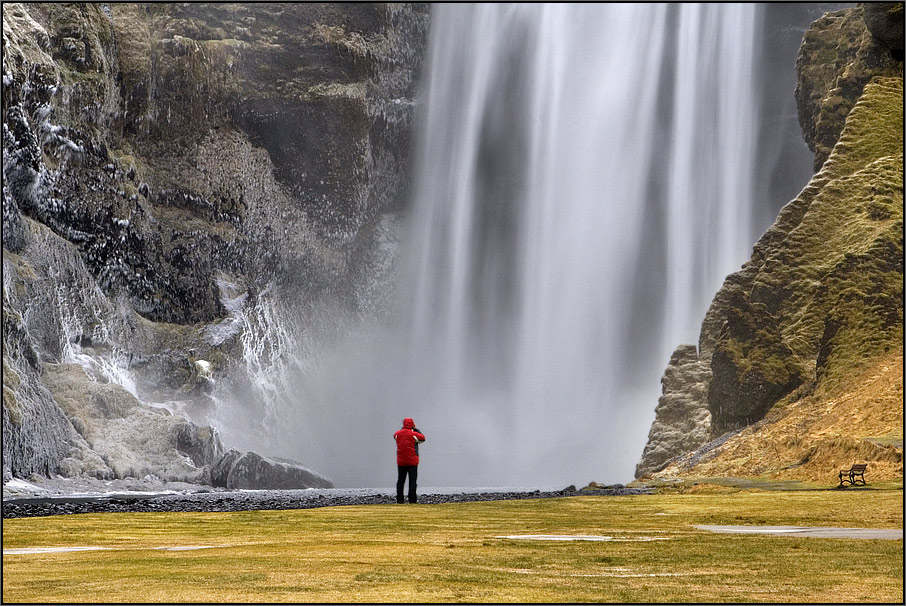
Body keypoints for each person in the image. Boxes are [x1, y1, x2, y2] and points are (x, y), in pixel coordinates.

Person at [393, 418, 426, 504]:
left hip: (401, 461)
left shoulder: (398, 434)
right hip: (412, 461)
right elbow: (423, 438)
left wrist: (402, 430)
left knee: (400, 480)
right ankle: (412, 499)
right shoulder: (413, 434)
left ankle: (400, 499)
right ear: (412, 424)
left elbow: (395, 435)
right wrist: (416, 429)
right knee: (412, 481)